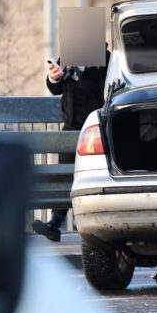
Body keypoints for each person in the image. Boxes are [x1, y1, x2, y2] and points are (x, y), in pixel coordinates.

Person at [32, 47, 109, 242]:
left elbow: (104, 89)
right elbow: (55, 88)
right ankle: (55, 222)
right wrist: (55, 76)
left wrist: (85, 70)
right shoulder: (67, 58)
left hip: (95, 127)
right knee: (64, 172)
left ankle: (91, 224)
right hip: (71, 127)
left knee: (92, 175)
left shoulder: (106, 59)